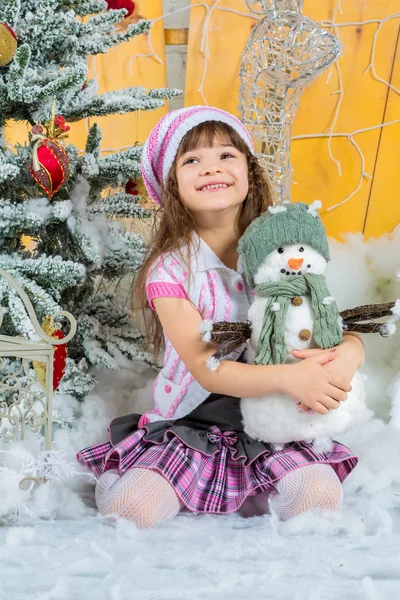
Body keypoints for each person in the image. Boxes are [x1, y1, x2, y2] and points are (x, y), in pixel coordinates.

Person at [77, 106, 364, 528]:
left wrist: (348, 356)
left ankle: (260, 486)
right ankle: (127, 479)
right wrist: (289, 377)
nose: (212, 168)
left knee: (319, 498)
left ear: (249, 169)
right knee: (132, 510)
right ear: (172, 184)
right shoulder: (171, 271)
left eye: (226, 155)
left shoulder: (285, 250)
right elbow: (208, 369)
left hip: (273, 420)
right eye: (192, 160)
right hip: (195, 422)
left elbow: (328, 323)